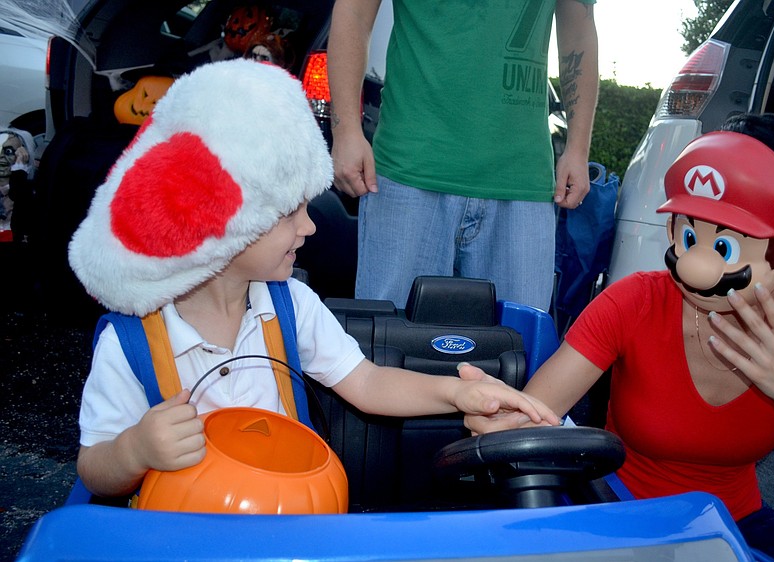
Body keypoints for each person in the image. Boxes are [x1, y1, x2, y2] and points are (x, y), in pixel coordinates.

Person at [68, 59, 559, 499]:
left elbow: (367, 382)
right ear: (220, 223)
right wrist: (134, 451)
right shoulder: (131, 341)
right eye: (289, 212)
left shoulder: (290, 304)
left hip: (289, 521)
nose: (309, 226)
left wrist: (455, 392)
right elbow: (94, 469)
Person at [463, 113, 774, 561]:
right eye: (689, 230)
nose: (692, 266)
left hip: (736, 525)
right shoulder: (633, 302)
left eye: (727, 240)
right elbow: (533, 419)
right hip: (615, 507)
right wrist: (495, 415)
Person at [327, 1, 599, 311]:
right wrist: (346, 129)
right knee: (389, 343)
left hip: (522, 182)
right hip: (409, 174)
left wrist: (578, 148)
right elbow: (354, 11)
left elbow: (578, 33)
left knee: (515, 351)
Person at [0, 127, 36, 242]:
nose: (1, 156)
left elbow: (21, 216)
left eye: (8, 151)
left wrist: (19, 171)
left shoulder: (25, 191)